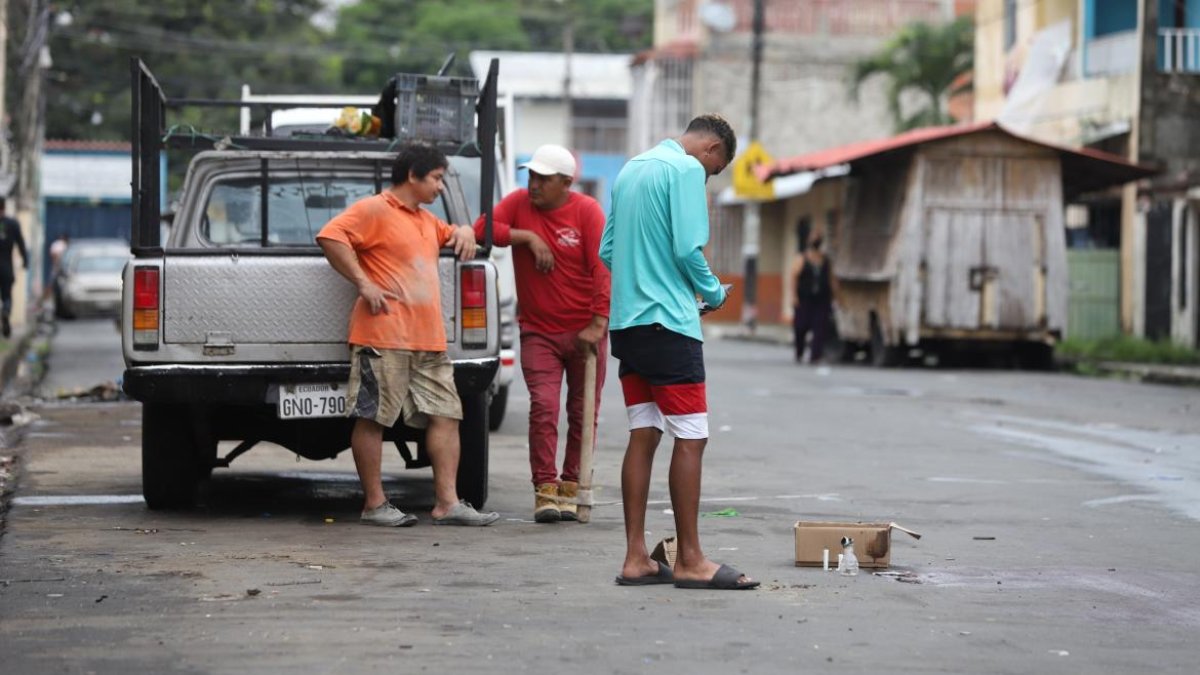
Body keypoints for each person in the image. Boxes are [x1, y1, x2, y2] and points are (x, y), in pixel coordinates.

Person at [599, 114, 759, 590]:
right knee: (691, 437)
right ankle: (690, 559)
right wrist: (711, 294)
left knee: (643, 434)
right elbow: (689, 249)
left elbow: (609, 250)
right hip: (669, 324)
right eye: (717, 170)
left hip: (628, 324)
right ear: (711, 150)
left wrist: (645, 274)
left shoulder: (631, 169)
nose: (709, 177)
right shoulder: (686, 170)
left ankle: (635, 557)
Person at [316, 143, 499, 528]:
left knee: (447, 415)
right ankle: (374, 504)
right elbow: (331, 237)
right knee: (373, 418)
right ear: (413, 175)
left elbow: (456, 233)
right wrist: (364, 284)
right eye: (436, 178)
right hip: (383, 336)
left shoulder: (426, 220)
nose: (440, 188)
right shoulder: (374, 209)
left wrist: (465, 229)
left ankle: (447, 504)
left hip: (429, 342)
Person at [471, 144, 610, 523]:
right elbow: (482, 228)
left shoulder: (587, 212)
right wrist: (526, 237)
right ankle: (545, 490)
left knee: (583, 414)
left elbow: (602, 268)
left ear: (566, 183)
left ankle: (572, 486)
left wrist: (598, 323)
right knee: (544, 408)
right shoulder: (518, 204)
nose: (533, 184)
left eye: (543, 179)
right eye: (531, 176)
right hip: (539, 331)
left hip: (586, 331)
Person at [789, 233, 838, 364]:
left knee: (820, 326)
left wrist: (836, 297)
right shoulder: (801, 258)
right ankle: (799, 352)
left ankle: (815, 355)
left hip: (821, 299)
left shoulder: (825, 260)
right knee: (800, 326)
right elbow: (793, 277)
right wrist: (794, 296)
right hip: (804, 299)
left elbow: (831, 279)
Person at [0, 198, 29, 338]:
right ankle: (5, 310)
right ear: (4, 207)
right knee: (7, 296)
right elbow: (21, 243)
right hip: (5, 265)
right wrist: (25, 260)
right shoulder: (12, 224)